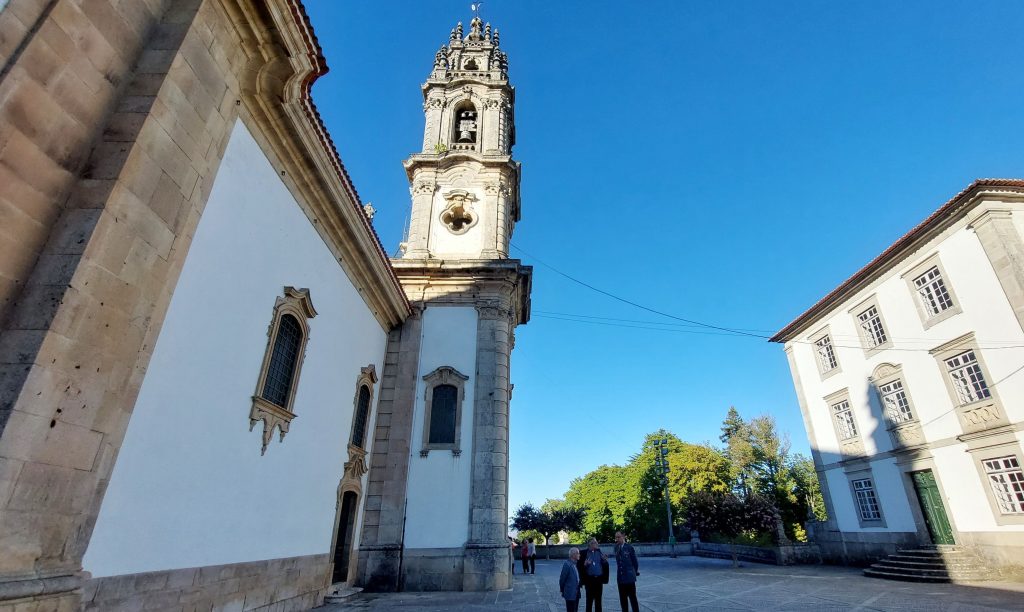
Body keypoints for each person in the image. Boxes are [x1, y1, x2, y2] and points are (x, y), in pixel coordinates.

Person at [578, 537, 608, 612]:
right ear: (590, 544)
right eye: (594, 542)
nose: (596, 544)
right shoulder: (583, 553)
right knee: (589, 601)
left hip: (599, 580)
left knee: (598, 601)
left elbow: (604, 565)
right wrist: (585, 564)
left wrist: (604, 561)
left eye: (596, 542)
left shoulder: (599, 552)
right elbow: (578, 566)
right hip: (589, 580)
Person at [614, 531, 639, 612]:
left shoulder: (629, 547)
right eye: (616, 537)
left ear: (623, 536)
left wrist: (633, 573)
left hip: (629, 577)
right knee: (623, 599)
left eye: (619, 537)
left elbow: (635, 562)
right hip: (620, 577)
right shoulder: (616, 547)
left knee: (633, 598)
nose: (617, 539)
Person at [559, 547, 582, 612]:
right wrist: (563, 590)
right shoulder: (567, 564)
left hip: (576, 592)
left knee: (575, 609)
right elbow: (562, 579)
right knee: (571, 610)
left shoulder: (575, 563)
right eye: (578, 553)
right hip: (570, 593)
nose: (579, 555)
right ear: (573, 554)